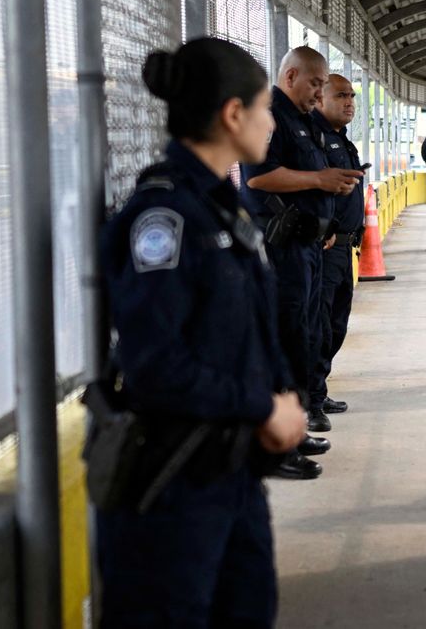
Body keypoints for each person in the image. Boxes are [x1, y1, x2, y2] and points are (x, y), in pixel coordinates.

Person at [96, 37, 307, 627]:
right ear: (232, 115)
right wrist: (263, 406)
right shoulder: (162, 219)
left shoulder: (223, 211)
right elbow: (155, 364)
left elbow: (247, 330)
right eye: (265, 108)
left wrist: (283, 397)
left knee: (248, 609)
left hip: (232, 473)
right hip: (174, 482)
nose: (272, 123)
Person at [241, 47, 363, 479]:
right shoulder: (273, 115)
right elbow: (256, 176)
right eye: (316, 83)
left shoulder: (303, 122)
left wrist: (330, 200)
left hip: (310, 246)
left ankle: (293, 429)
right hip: (283, 247)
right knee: (288, 337)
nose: (320, 92)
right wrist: (318, 179)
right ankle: (277, 444)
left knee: (307, 335)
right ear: (291, 76)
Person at [309, 74, 366, 419]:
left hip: (345, 247)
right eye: (340, 96)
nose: (349, 102)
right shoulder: (315, 138)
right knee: (320, 324)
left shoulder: (340, 139)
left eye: (351, 96)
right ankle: (310, 400)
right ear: (319, 99)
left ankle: (319, 389)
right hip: (326, 246)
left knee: (337, 322)